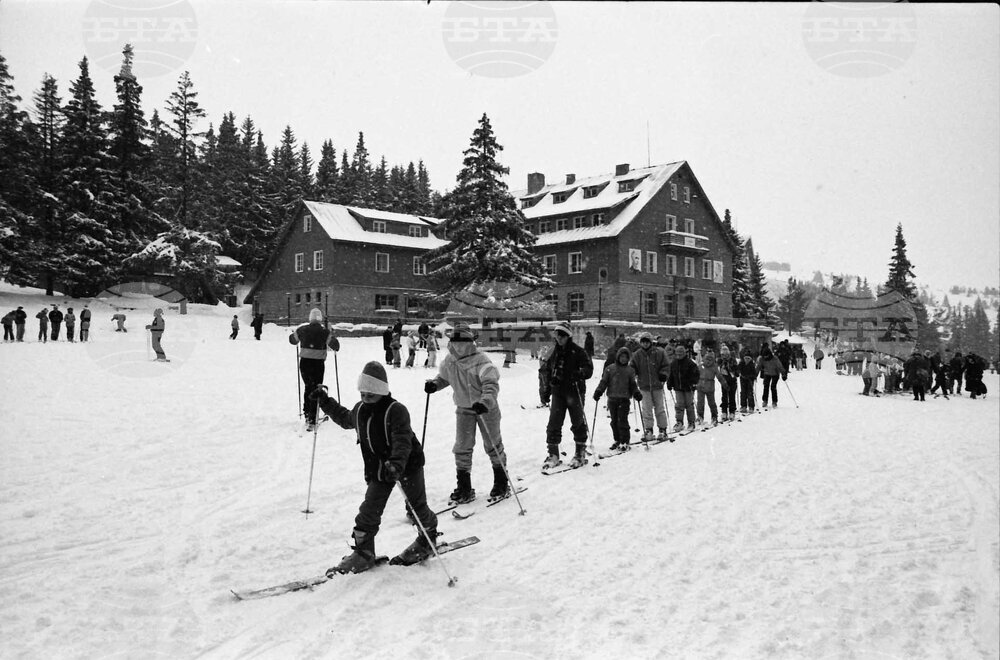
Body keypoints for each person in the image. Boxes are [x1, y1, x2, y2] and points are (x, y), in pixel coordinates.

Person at [311, 361, 438, 573]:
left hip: (407, 466)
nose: (365, 398)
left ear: (381, 390)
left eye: (371, 394)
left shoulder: (396, 410)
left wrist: (397, 462)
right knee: (368, 512)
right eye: (363, 393)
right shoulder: (360, 410)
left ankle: (427, 538)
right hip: (379, 471)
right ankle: (364, 553)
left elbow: (402, 439)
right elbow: (344, 418)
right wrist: (325, 401)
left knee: (416, 507)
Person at [425, 322, 508, 503]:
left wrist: (485, 402)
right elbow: (444, 377)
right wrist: (435, 384)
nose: (458, 344)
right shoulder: (450, 361)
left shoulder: (481, 361)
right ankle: (464, 486)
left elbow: (491, 383)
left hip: (486, 409)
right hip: (464, 409)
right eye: (455, 340)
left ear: (470, 341)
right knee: (462, 447)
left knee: (492, 444)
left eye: (462, 341)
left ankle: (501, 481)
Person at [541, 321, 594, 469]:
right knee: (554, 423)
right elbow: (548, 370)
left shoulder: (578, 351)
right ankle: (553, 454)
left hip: (574, 391)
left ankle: (580, 453)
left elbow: (588, 368)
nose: (559, 339)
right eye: (557, 335)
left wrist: (580, 373)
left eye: (563, 336)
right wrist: (547, 390)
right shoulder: (554, 352)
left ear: (568, 337)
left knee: (577, 422)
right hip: (558, 392)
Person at [289, 308, 340, 430]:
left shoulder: (303, 329)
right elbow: (336, 346)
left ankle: (307, 413)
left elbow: (292, 340)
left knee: (308, 387)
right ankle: (313, 417)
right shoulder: (324, 332)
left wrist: (296, 335)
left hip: (304, 363)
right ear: (320, 319)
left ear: (310, 318)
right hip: (318, 364)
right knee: (316, 388)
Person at [593, 346, 642, 451]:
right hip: (612, 398)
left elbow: (633, 384)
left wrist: (636, 393)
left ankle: (625, 440)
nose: (623, 359)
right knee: (614, 421)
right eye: (622, 357)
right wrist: (599, 391)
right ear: (618, 357)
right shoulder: (610, 368)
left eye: (626, 357)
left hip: (624, 399)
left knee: (622, 420)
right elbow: (604, 382)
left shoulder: (630, 370)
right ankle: (617, 439)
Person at [629, 332, 671, 441]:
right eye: (643, 342)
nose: (645, 344)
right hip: (644, 385)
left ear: (650, 342)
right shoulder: (637, 354)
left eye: (647, 342)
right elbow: (632, 367)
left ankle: (662, 429)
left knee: (659, 408)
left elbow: (666, 365)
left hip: (657, 385)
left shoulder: (659, 352)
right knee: (646, 409)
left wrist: (664, 374)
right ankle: (649, 429)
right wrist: (632, 375)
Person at [666, 344, 699, 432]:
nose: (679, 355)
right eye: (677, 354)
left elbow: (696, 374)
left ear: (684, 353)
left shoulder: (690, 363)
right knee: (679, 405)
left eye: (681, 354)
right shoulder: (673, 363)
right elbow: (671, 375)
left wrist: (693, 382)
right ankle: (679, 421)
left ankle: (691, 422)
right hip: (678, 387)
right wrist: (669, 383)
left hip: (688, 387)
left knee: (689, 405)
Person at [696, 348, 720, 426]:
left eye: (710, 360)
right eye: (707, 359)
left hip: (708, 387)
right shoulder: (701, 366)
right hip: (702, 386)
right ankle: (701, 416)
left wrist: (724, 384)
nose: (708, 361)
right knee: (701, 403)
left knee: (710, 402)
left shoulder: (713, 367)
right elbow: (695, 375)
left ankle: (713, 416)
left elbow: (719, 376)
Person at [757, 345, 786, 409]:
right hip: (767, 373)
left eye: (766, 356)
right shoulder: (762, 359)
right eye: (764, 356)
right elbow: (758, 367)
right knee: (766, 386)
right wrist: (755, 374)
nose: (765, 357)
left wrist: (783, 374)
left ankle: (774, 401)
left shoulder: (775, 358)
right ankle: (765, 400)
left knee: (773, 387)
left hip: (775, 374)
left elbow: (780, 366)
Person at [716, 344, 738, 422]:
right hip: (724, 381)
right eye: (723, 354)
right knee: (724, 397)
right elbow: (717, 368)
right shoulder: (720, 361)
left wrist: (731, 368)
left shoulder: (732, 360)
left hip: (732, 381)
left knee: (732, 396)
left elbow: (736, 371)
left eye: (725, 355)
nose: (724, 356)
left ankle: (732, 411)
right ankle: (724, 411)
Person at [738, 349, 758, 413]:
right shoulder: (741, 363)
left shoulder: (752, 365)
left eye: (748, 358)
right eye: (745, 358)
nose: (746, 359)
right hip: (743, 379)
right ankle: (743, 406)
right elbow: (738, 369)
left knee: (750, 393)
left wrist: (751, 377)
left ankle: (751, 406)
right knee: (743, 393)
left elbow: (754, 374)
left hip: (749, 380)